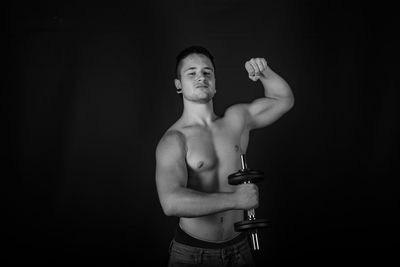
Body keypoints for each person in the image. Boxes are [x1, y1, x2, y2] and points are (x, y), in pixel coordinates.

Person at [155, 45, 294, 266]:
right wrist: (235, 200)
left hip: (240, 249)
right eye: (192, 73)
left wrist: (264, 72)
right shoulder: (174, 140)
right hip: (192, 255)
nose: (201, 77)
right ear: (178, 85)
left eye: (207, 72)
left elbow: (283, 100)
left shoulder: (236, 120)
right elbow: (171, 202)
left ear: (215, 83)